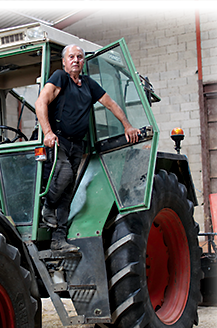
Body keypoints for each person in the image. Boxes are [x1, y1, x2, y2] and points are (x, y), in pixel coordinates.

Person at [35, 44, 140, 252]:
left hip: (77, 144)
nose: (76, 60)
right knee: (63, 175)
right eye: (71, 57)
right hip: (59, 141)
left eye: (80, 57)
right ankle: (47, 205)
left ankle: (59, 239)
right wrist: (48, 132)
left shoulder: (89, 85)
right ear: (64, 62)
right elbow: (41, 102)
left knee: (68, 192)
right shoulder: (59, 78)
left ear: (84, 62)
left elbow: (111, 104)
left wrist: (127, 125)